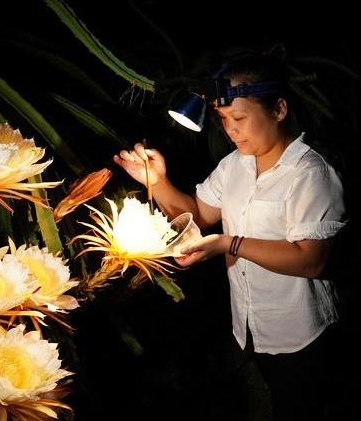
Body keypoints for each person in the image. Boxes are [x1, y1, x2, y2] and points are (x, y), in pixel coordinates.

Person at [113, 50, 348, 421]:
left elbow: (311, 260)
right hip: (252, 325)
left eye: (239, 118)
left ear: (279, 110)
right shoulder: (234, 164)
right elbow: (198, 214)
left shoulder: (310, 175)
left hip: (300, 333)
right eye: (223, 119)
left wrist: (229, 243)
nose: (231, 130)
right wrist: (156, 181)